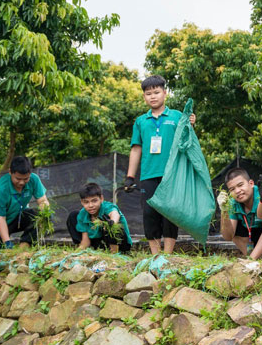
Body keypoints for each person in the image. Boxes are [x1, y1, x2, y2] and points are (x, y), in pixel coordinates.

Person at [122, 75, 195, 255]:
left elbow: (188, 142)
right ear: (144, 97)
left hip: (172, 173)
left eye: (156, 92)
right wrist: (130, 176)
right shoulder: (140, 121)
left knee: (170, 214)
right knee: (149, 213)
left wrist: (191, 124)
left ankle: (168, 255)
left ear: (165, 93)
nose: (153, 96)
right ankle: (155, 255)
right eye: (148, 93)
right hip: (148, 174)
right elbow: (136, 149)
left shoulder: (177, 116)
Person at [0, 156, 49, 250]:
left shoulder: (34, 179)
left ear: (30, 174)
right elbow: (0, 217)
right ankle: (3, 242)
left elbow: (42, 201)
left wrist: (45, 212)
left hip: (16, 217)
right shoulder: (1, 188)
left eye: (25, 179)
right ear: (10, 172)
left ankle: (25, 243)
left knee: (43, 216)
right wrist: (7, 243)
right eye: (18, 179)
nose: (21, 182)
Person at [217, 168, 262, 259]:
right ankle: (258, 259)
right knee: (233, 227)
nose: (237, 191)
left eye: (240, 185)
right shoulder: (232, 203)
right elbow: (228, 236)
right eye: (232, 189)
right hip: (253, 238)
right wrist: (224, 210)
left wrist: (250, 260)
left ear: (251, 184)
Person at [68, 183, 132, 253]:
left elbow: (115, 214)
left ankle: (114, 253)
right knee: (73, 215)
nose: (91, 205)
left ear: (101, 199)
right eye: (86, 202)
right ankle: (94, 250)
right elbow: (85, 241)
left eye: (94, 201)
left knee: (108, 222)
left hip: (121, 244)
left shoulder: (106, 206)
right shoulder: (83, 214)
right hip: (100, 243)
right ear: (81, 202)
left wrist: (112, 222)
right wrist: (75, 253)